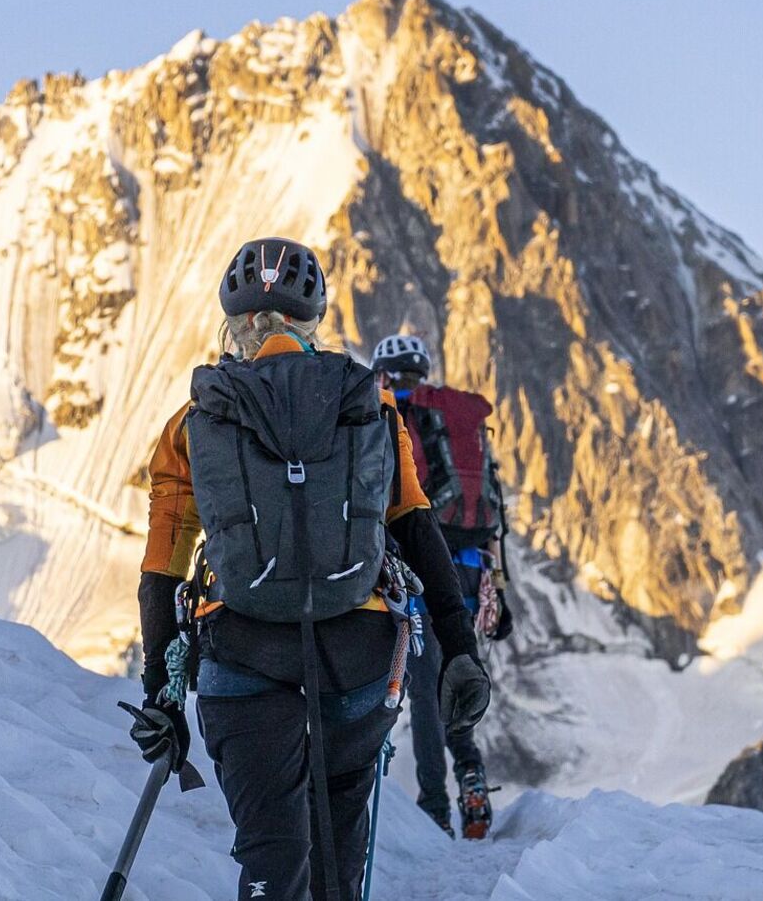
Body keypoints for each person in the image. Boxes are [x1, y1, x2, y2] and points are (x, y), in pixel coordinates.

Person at [127, 239, 491, 901]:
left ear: (235, 323)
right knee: (338, 865)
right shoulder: (369, 403)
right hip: (358, 662)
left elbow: (163, 570)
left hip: (242, 663)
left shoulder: (193, 420)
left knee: (273, 861)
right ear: (313, 318)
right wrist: (460, 648)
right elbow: (415, 524)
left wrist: (160, 690)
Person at [368, 333, 513, 839]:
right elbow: (493, 514)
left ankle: (433, 807)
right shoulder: (460, 420)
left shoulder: (394, 416)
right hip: (474, 569)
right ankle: (470, 775)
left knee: (428, 689)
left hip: (427, 568)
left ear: (385, 373)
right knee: (459, 668)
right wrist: (500, 585)